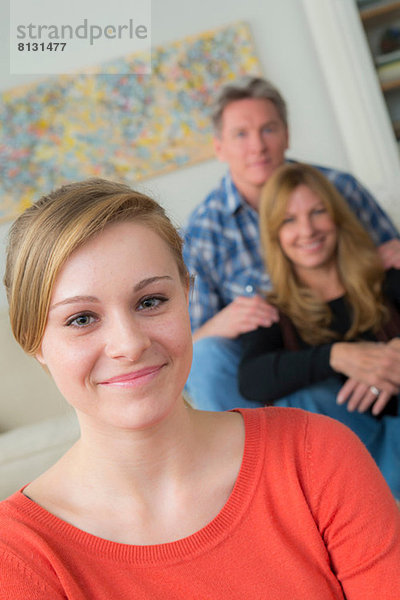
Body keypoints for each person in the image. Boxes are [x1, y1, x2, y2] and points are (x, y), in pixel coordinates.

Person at [1, 178, 400, 599]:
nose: (131, 344)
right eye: (81, 319)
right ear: (33, 341)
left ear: (186, 296)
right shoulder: (19, 555)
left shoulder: (317, 456)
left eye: (151, 301)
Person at [183, 76, 400, 411]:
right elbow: (185, 346)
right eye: (241, 134)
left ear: (286, 134)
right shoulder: (204, 231)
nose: (257, 146)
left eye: (268, 129)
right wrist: (217, 325)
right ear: (219, 147)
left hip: (363, 345)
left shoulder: (340, 188)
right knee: (208, 355)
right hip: (276, 368)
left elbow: (392, 267)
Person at [238, 163, 400, 498]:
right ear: (274, 234)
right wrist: (339, 356)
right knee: (301, 399)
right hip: (353, 460)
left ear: (337, 217)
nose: (307, 230)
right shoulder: (273, 310)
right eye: (289, 220)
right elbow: (251, 380)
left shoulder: (384, 276)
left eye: (317, 213)